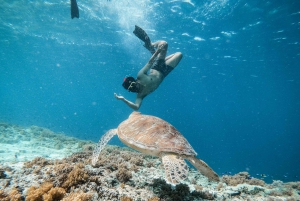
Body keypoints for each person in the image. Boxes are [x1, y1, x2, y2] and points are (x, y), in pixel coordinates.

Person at [114, 25, 183, 110]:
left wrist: (157, 52)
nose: (134, 89)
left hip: (157, 67)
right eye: (131, 89)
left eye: (132, 85)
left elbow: (150, 63)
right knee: (179, 54)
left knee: (164, 44)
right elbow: (136, 107)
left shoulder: (140, 75)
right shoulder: (140, 95)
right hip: (165, 72)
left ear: (134, 81)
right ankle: (156, 53)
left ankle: (151, 45)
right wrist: (123, 99)